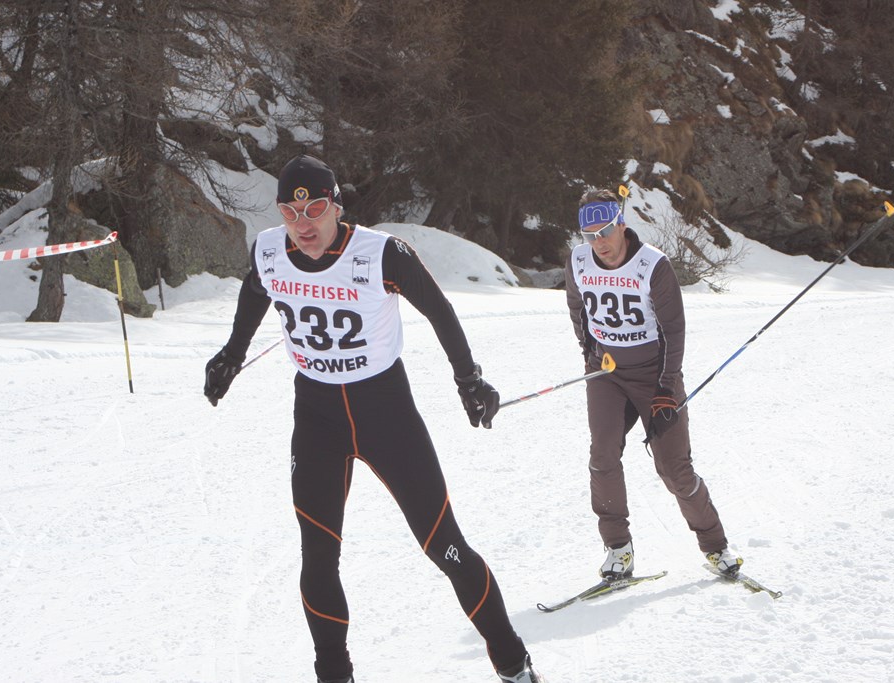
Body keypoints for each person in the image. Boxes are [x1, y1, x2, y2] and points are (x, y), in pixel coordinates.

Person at [203, 155, 543, 683]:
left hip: (385, 413)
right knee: (318, 556)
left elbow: (438, 308)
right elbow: (255, 289)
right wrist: (232, 353)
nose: (303, 224)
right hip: (316, 416)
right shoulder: (269, 249)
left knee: (445, 546)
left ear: (337, 206)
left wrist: (469, 379)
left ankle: (513, 663)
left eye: (316, 209)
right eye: (291, 213)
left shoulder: (380, 253)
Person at [564, 188, 741, 582]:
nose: (599, 242)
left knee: (675, 470)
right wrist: (589, 351)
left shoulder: (652, 265)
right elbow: (577, 307)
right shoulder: (578, 260)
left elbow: (674, 331)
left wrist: (665, 387)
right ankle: (618, 548)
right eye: (590, 235)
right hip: (606, 373)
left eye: (605, 231)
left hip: (655, 375)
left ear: (620, 224)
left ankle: (715, 545)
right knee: (602, 455)